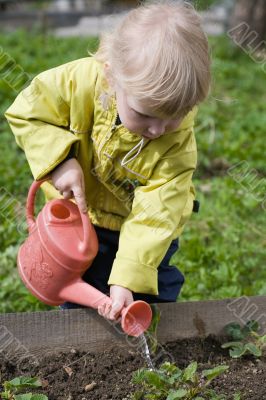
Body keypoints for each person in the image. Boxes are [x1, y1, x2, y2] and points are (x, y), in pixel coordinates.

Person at [5, 1, 211, 322]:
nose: (158, 130)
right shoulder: (78, 83)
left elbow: (157, 213)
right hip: (82, 219)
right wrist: (60, 161)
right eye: (144, 115)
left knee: (148, 285)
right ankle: (83, 342)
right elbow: (29, 112)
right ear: (112, 75)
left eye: (175, 116)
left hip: (143, 228)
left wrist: (127, 275)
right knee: (83, 290)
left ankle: (150, 331)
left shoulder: (177, 140)